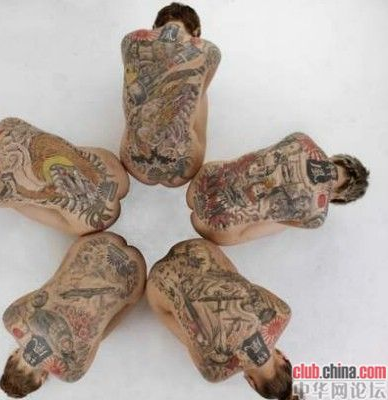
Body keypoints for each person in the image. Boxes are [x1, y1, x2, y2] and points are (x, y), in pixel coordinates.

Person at [0, 232, 146, 398]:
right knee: (57, 281)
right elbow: (43, 293)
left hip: (134, 273)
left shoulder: (72, 374)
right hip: (95, 244)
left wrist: (132, 298)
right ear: (12, 356)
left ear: (41, 379)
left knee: (122, 309)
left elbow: (103, 331)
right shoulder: (10, 319)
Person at [147, 239, 293, 400]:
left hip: (195, 248)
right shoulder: (214, 373)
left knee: (239, 284)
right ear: (252, 383)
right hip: (158, 278)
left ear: (284, 357)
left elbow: (247, 289)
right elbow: (189, 334)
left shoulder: (283, 314)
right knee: (192, 334)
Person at [0, 117, 129, 235]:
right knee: (51, 150)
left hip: (102, 218)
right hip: (114, 168)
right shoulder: (7, 124)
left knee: (17, 202)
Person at [187, 132, 369, 245]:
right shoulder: (317, 216)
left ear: (334, 158)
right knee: (275, 221)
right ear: (339, 197)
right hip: (212, 225)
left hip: (204, 178)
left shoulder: (302, 139)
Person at [120, 2, 221, 187]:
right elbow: (199, 92)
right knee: (199, 92)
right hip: (184, 168)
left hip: (132, 164)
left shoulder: (129, 40)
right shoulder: (210, 50)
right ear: (196, 32)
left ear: (154, 27)